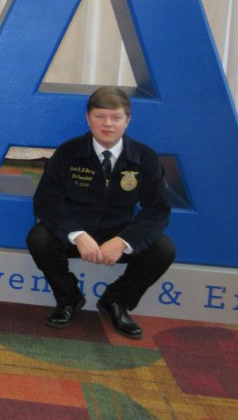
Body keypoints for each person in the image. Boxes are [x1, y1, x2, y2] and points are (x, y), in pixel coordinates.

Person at [27, 86, 176, 339]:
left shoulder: (145, 157)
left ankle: (116, 301)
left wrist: (123, 241)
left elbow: (158, 211)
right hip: (76, 231)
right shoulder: (67, 153)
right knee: (39, 238)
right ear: (88, 118)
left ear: (127, 121)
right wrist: (76, 234)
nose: (108, 124)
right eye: (100, 116)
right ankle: (69, 299)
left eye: (116, 117)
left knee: (163, 249)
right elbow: (46, 202)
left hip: (117, 231)